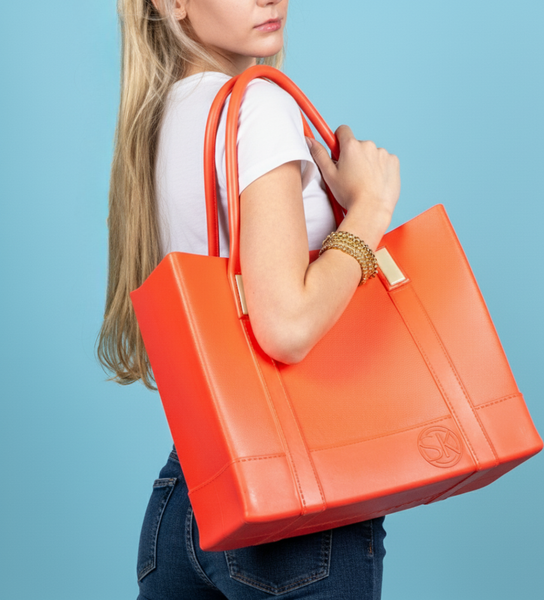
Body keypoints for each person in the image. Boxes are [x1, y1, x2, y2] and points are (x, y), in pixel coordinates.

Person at [97, 0, 401, 598]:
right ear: (173, 4)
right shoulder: (257, 105)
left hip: (188, 494)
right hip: (293, 504)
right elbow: (284, 325)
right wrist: (370, 209)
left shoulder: (160, 118)